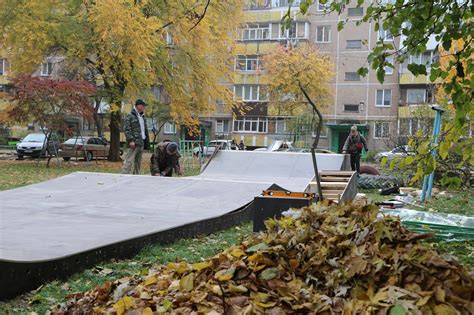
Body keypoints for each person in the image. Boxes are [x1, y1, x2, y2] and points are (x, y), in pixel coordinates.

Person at [122, 99, 150, 174]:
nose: (144, 107)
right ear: (139, 106)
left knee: (138, 162)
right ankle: (124, 175)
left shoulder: (142, 116)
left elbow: (144, 130)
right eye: (143, 106)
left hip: (141, 142)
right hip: (134, 143)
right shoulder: (130, 115)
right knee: (129, 160)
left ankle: (136, 176)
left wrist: (146, 142)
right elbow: (127, 129)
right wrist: (131, 140)